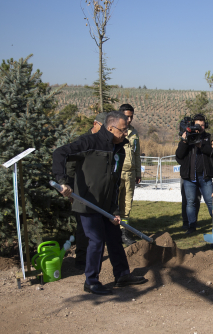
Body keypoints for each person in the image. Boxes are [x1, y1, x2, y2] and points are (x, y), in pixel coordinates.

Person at [52, 111, 147, 295]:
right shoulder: (89, 142)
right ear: (110, 128)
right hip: (87, 202)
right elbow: (60, 153)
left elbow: (114, 181)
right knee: (96, 240)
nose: (126, 133)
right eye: (123, 130)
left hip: (106, 205)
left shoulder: (119, 148)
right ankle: (91, 281)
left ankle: (122, 275)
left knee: (114, 237)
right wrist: (63, 182)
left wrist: (115, 209)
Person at [66, 112, 106, 269]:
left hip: (99, 192)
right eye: (103, 127)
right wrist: (69, 187)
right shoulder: (83, 141)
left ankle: (95, 258)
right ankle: (82, 260)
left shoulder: (105, 142)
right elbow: (70, 165)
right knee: (83, 228)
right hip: (82, 191)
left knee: (98, 227)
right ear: (95, 124)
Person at [175, 114, 213, 234]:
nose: (200, 127)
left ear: (205, 125)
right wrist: (184, 141)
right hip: (189, 177)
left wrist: (201, 145)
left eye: (202, 125)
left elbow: (212, 152)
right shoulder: (187, 137)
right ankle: (191, 226)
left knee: (210, 201)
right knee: (190, 202)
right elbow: (179, 156)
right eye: (197, 125)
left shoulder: (209, 138)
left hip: (205, 176)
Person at [118, 104, 141, 245]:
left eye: (131, 116)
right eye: (127, 116)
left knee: (127, 205)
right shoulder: (115, 130)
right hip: (118, 173)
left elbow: (137, 153)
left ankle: (123, 232)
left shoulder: (134, 133)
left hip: (131, 174)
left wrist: (138, 172)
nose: (129, 119)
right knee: (114, 203)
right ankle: (110, 231)